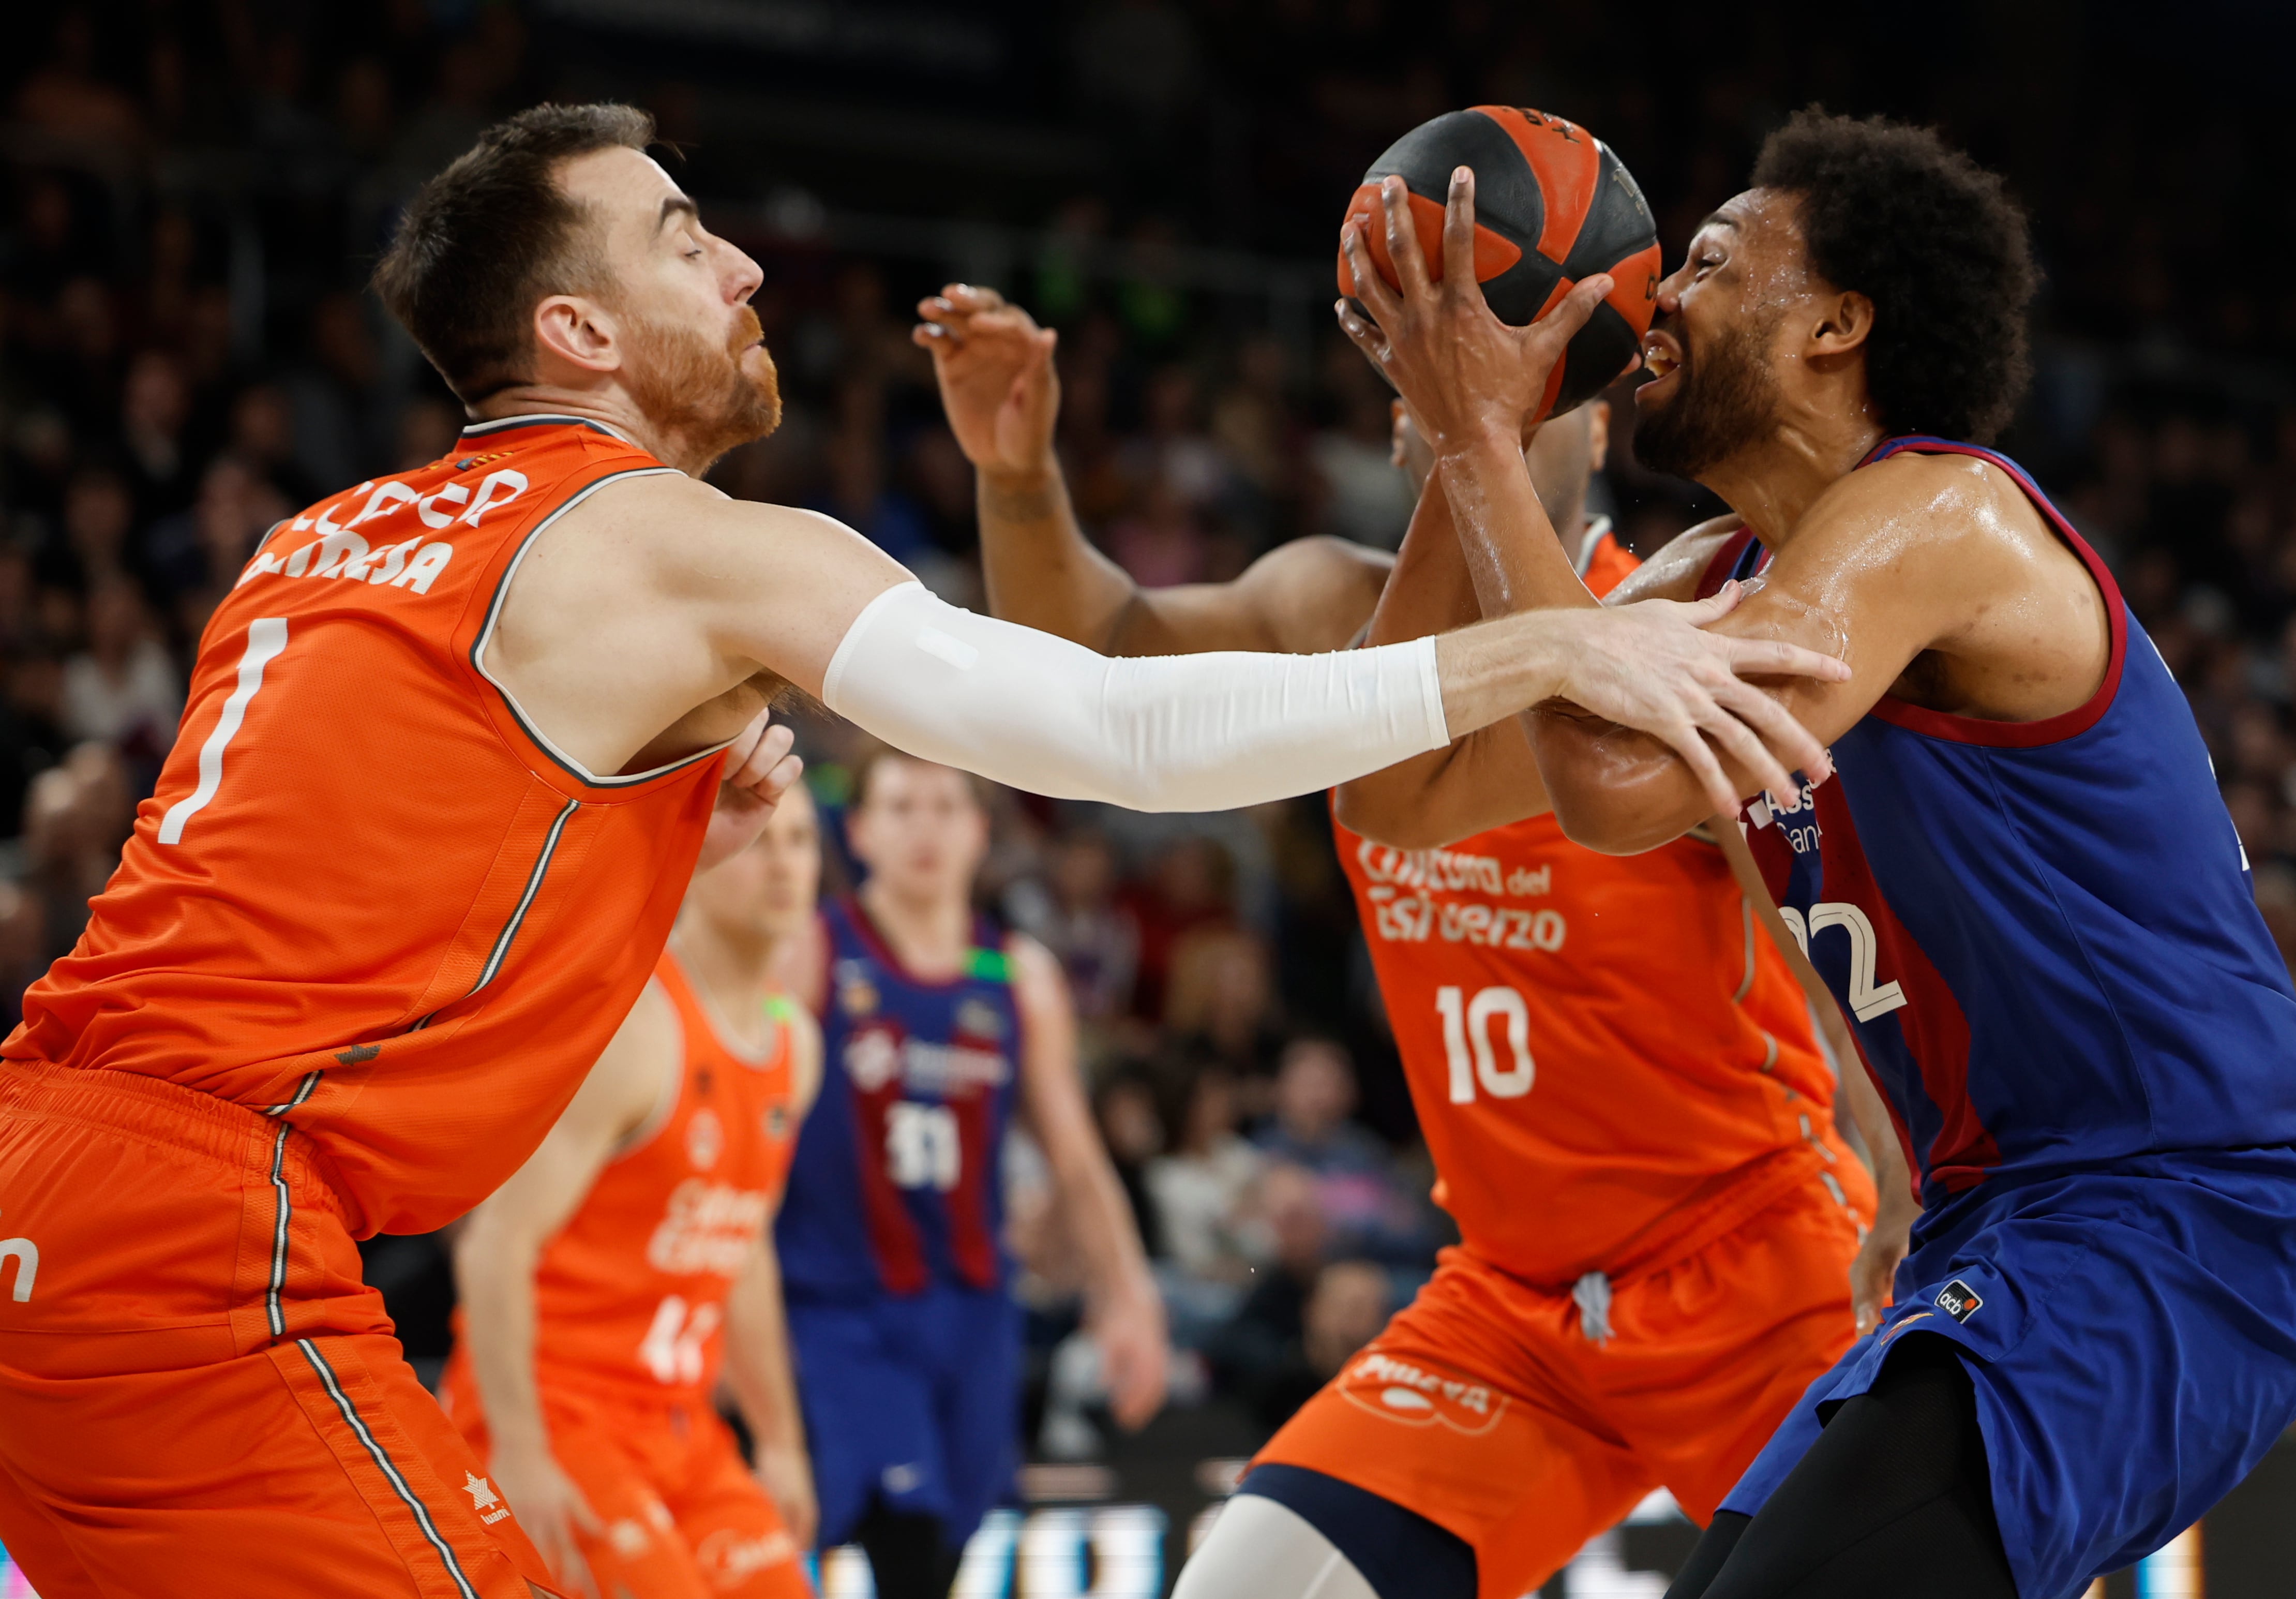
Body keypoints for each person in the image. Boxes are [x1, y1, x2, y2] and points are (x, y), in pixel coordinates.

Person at [0, 103, 1849, 1596]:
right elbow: (1113, 719)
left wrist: (644, 819)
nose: (745, 265)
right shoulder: (679, 543)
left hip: (46, 1161)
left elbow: (366, 855)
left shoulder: (321, 540)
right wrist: (1543, 650)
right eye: (682, 239)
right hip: (203, 1232)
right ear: (578, 332)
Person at [1335, 109, 2296, 1599]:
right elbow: (1397, 790)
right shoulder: (1717, 581)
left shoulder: (1942, 516)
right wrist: (1459, 448)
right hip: (1997, 1220)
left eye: (1706, 261)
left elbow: (1614, 785)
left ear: (1835, 324)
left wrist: (1482, 435)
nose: (1655, 294)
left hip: (2187, 1213)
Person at [916, 280, 1917, 1599]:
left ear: (1595, 427)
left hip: (1749, 1267)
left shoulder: (1667, 641)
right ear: (1406, 430)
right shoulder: (1331, 613)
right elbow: (1091, 656)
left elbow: (1831, 945)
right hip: (1510, 1305)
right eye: (1446, 393)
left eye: (1528, 394)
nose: (1483, 412)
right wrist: (1017, 476)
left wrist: (1906, 1177)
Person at [774, 744, 1168, 1599]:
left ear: (982, 833)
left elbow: (1076, 1157)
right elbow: (751, 1123)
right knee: (905, 1536)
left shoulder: (1017, 974)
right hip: (842, 1305)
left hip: (975, 1310)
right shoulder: (815, 952)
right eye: (903, 807)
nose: (926, 829)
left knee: (949, 1549)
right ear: (862, 832)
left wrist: (1128, 1293)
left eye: (947, 807)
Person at [446, 785, 824, 1599]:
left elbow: (743, 1248)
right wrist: (519, 1450)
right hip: (557, 1410)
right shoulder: (640, 1027)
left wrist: (781, 1442)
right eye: (761, 840)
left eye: (801, 841)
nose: (785, 865)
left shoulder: (797, 1044)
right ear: (695, 855)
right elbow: (494, 1245)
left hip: (680, 1424)